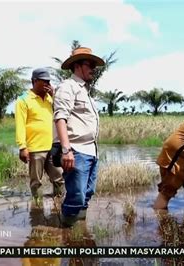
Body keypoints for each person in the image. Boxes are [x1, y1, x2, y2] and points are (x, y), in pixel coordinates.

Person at [53, 47, 105, 227]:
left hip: (91, 150)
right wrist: (66, 150)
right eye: (89, 64)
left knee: (88, 193)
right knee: (77, 195)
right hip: (76, 150)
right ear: (77, 66)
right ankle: (67, 231)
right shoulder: (67, 87)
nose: (93, 68)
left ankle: (80, 230)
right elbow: (60, 117)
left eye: (94, 65)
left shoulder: (85, 91)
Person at [15, 68, 64, 203]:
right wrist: (22, 147)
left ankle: (58, 203)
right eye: (44, 81)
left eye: (49, 81)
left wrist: (54, 95)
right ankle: (37, 207)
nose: (47, 84)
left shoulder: (50, 98)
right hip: (35, 148)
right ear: (35, 81)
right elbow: (20, 124)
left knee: (59, 177)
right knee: (36, 181)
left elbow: (61, 112)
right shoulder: (23, 100)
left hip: (53, 146)